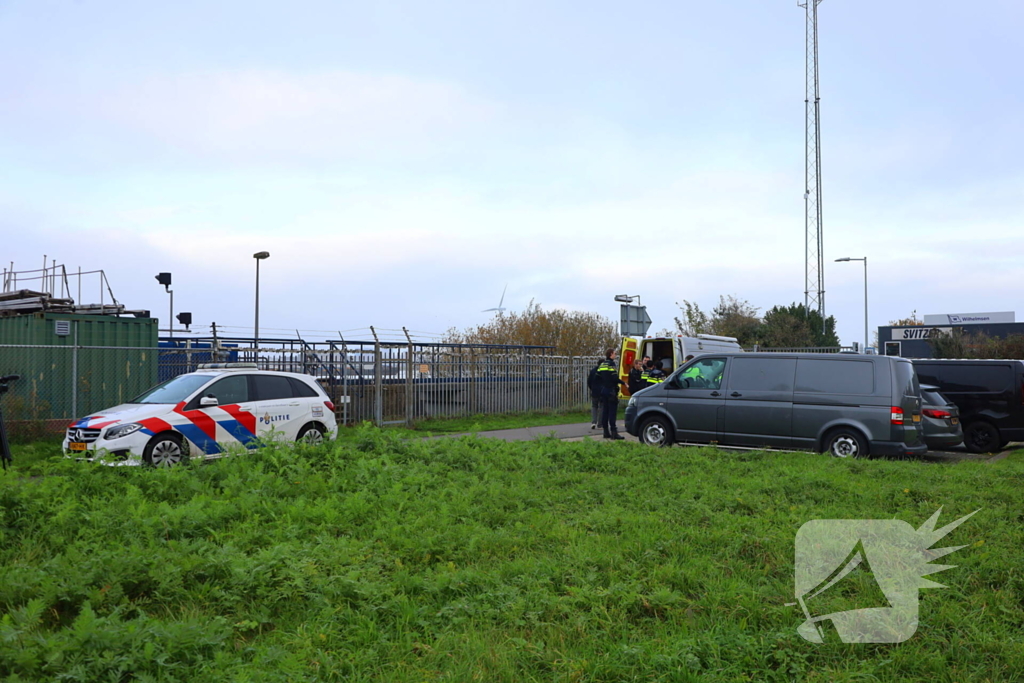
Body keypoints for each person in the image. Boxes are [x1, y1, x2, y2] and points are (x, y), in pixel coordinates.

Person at [596, 348, 626, 439]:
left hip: (604, 390)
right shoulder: (611, 364)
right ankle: (614, 432)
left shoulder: (602, 364)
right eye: (614, 353)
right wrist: (623, 383)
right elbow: (614, 378)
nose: (615, 355)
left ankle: (606, 432)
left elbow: (597, 377)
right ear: (611, 354)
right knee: (612, 412)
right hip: (611, 390)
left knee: (605, 411)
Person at [586, 359, 603, 429]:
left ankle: (593, 422)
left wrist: (592, 388)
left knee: (594, 406)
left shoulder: (593, 371)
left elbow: (589, 381)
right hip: (602, 392)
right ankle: (600, 424)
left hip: (594, 391)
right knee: (602, 407)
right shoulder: (604, 372)